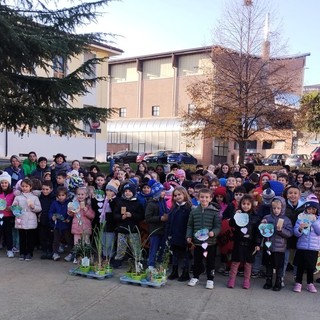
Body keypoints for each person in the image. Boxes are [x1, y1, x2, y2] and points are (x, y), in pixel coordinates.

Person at [186, 188, 221, 290]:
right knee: (197, 261)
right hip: (197, 242)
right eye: (202, 197)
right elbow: (190, 225)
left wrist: (213, 232)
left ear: (210, 198)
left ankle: (210, 279)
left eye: (206, 197)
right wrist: (188, 236)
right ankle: (195, 277)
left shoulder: (214, 212)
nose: (204, 199)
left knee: (210, 261)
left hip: (210, 243)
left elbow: (218, 226)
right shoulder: (194, 211)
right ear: (198, 197)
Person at [227, 194, 261, 289]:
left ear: (252, 205)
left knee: (248, 263)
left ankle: (246, 280)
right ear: (240, 204)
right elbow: (231, 224)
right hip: (238, 242)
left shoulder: (255, 217)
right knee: (235, 261)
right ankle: (232, 279)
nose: (245, 206)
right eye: (243, 203)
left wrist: (258, 244)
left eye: (248, 204)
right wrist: (235, 215)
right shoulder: (238, 214)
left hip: (250, 243)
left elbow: (258, 232)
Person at [260, 196, 293, 291]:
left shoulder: (286, 220)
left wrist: (281, 230)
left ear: (282, 208)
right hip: (268, 246)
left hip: (280, 248)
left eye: (278, 208)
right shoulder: (267, 217)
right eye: (274, 208)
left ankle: (278, 281)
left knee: (279, 266)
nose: (276, 210)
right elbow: (261, 231)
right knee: (268, 265)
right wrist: (262, 224)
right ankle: (268, 280)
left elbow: (290, 233)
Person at [112, 182, 144, 268]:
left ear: (133, 192)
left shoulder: (138, 203)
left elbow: (141, 216)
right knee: (121, 247)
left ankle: (138, 261)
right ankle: (118, 260)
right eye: (126, 191)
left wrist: (132, 215)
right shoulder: (119, 202)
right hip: (121, 229)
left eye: (130, 191)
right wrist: (121, 217)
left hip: (133, 229)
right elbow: (115, 214)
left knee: (135, 246)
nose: (127, 193)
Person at [293, 195, 320, 293]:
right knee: (300, 266)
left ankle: (310, 283)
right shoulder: (301, 218)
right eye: (309, 209)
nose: (311, 211)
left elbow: (319, 232)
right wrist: (300, 228)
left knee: (311, 267)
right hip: (302, 246)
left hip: (313, 248)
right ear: (306, 209)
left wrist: (314, 222)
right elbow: (296, 232)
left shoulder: (318, 219)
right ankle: (298, 282)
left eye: (314, 209)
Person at [166, 186, 192, 282]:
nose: (177, 197)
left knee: (185, 254)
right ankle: (174, 271)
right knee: (175, 254)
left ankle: (185, 272)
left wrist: (189, 236)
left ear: (184, 194)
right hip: (174, 234)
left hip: (184, 235)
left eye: (179, 194)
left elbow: (190, 224)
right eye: (175, 195)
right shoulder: (174, 208)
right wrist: (168, 234)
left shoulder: (189, 208)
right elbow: (169, 222)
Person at [12, 178, 42, 261]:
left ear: (30, 187)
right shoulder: (18, 197)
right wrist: (14, 207)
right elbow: (14, 208)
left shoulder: (34, 197)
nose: (24, 188)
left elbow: (39, 208)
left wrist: (33, 207)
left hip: (31, 219)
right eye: (23, 186)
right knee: (22, 237)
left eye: (26, 186)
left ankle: (29, 253)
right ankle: (22, 253)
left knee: (30, 237)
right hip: (21, 219)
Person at [145, 181, 168, 269]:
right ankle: (151, 265)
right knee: (153, 248)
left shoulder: (163, 201)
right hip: (155, 230)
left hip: (163, 229)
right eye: (162, 191)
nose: (164, 192)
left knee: (162, 248)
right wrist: (159, 218)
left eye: (164, 191)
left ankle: (159, 263)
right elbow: (148, 218)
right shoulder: (151, 204)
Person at [69, 187, 95, 262]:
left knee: (86, 243)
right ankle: (77, 257)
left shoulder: (88, 205)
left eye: (82, 194)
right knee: (76, 244)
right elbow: (71, 215)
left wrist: (86, 210)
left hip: (85, 228)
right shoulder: (74, 204)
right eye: (78, 194)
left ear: (86, 195)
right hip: (76, 227)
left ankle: (86, 258)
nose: (80, 196)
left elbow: (92, 216)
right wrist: (70, 210)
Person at [49, 186, 73, 261]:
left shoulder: (69, 203)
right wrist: (52, 217)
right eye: (59, 195)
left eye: (63, 195)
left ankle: (71, 253)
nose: (61, 197)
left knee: (68, 240)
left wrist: (69, 219)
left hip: (66, 225)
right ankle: (55, 253)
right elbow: (50, 212)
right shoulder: (54, 203)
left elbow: (72, 212)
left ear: (66, 195)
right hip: (57, 225)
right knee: (56, 240)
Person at [99, 181, 119, 262]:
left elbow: (115, 210)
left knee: (110, 241)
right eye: (107, 190)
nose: (109, 192)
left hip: (111, 223)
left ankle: (110, 256)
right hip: (103, 221)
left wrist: (111, 201)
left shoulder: (116, 200)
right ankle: (104, 255)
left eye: (111, 191)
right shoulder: (104, 199)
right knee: (103, 240)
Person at [38, 181, 56, 259]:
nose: (45, 191)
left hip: (51, 220)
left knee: (51, 237)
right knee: (43, 236)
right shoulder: (40, 197)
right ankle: (44, 251)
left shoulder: (54, 198)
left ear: (51, 189)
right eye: (43, 189)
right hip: (42, 220)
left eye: (47, 189)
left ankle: (50, 251)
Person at [0, 172, 15, 258]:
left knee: (8, 233)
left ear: (8, 183)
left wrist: (11, 207)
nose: (4, 184)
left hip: (8, 216)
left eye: (5, 182)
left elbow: (15, 205)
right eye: (2, 183)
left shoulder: (12, 193)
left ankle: (9, 250)